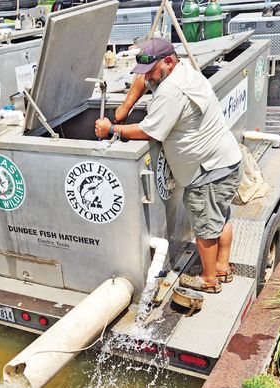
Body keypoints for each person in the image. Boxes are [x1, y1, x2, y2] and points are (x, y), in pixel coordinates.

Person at [94, 38, 242, 294]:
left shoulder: (172, 90)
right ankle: (221, 268)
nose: (148, 78)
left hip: (206, 170)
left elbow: (150, 131)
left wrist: (111, 129)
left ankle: (208, 281)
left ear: (168, 62)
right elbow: (143, 80)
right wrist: (125, 107)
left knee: (205, 228)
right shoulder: (183, 71)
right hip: (226, 161)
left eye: (151, 71)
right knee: (220, 217)